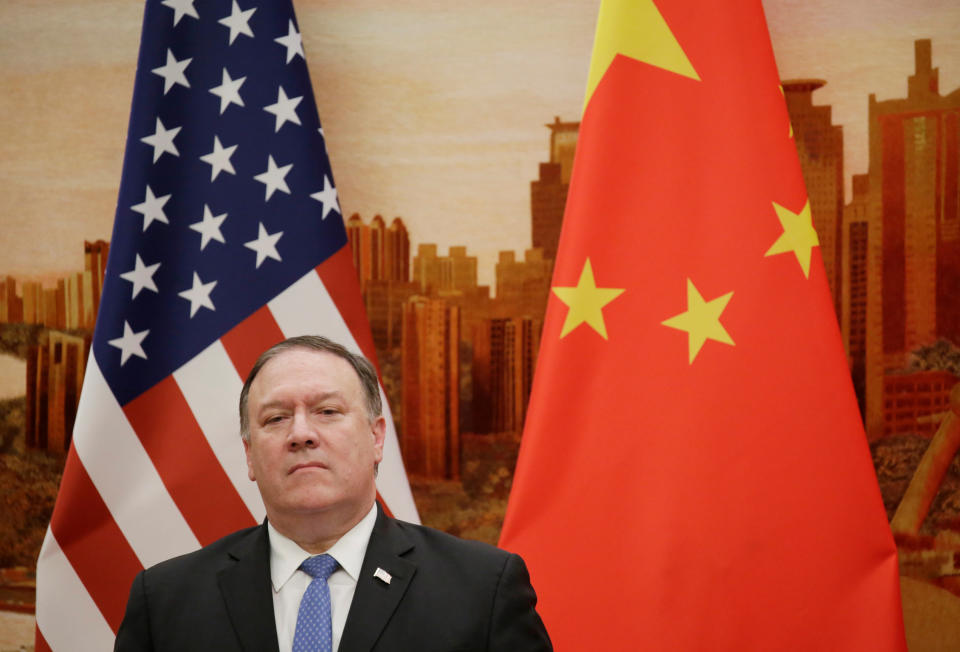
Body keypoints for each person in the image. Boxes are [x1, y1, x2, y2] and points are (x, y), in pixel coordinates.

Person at [114, 335, 552, 651]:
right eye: (276, 419)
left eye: (327, 411)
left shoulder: (481, 591)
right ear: (249, 455)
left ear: (377, 438)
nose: (301, 433)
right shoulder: (167, 601)